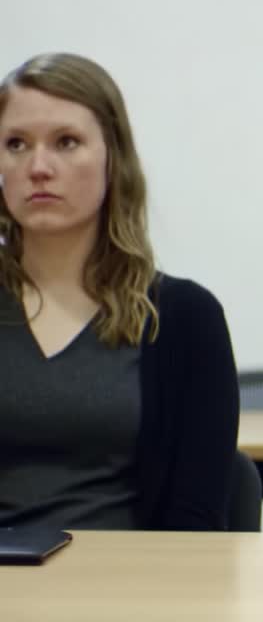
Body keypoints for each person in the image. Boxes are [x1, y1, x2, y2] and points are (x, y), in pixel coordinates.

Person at [0, 53, 240, 530]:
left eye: (66, 142)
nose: (39, 167)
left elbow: (196, 523)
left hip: (133, 574)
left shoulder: (184, 318)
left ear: (114, 159)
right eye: (16, 144)